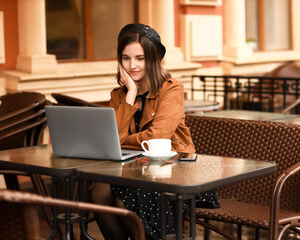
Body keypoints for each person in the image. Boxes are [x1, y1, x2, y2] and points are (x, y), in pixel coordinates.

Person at [90, 23, 219, 240]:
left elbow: (156, 137)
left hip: (171, 171)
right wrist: (130, 93)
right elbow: (109, 139)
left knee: (125, 198)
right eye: (125, 58)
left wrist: (121, 139)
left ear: (154, 58)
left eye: (140, 58)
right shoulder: (119, 94)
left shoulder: (171, 89)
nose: (133, 65)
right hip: (133, 170)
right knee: (98, 190)